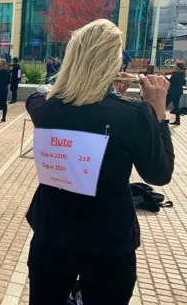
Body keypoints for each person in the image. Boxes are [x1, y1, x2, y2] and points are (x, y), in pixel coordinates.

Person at [25, 19, 174, 305]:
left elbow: (42, 92)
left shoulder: (43, 108)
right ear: (113, 62)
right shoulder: (133, 115)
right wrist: (158, 110)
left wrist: (98, 89)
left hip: (51, 234)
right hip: (108, 240)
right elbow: (159, 174)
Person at [166, 61, 186, 125]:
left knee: (164, 104)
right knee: (176, 106)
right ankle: (178, 120)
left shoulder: (176, 74)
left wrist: (164, 77)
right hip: (179, 92)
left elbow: (169, 82)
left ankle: (159, 118)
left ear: (177, 67)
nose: (175, 66)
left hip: (173, 92)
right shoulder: (183, 74)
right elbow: (183, 83)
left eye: (176, 65)